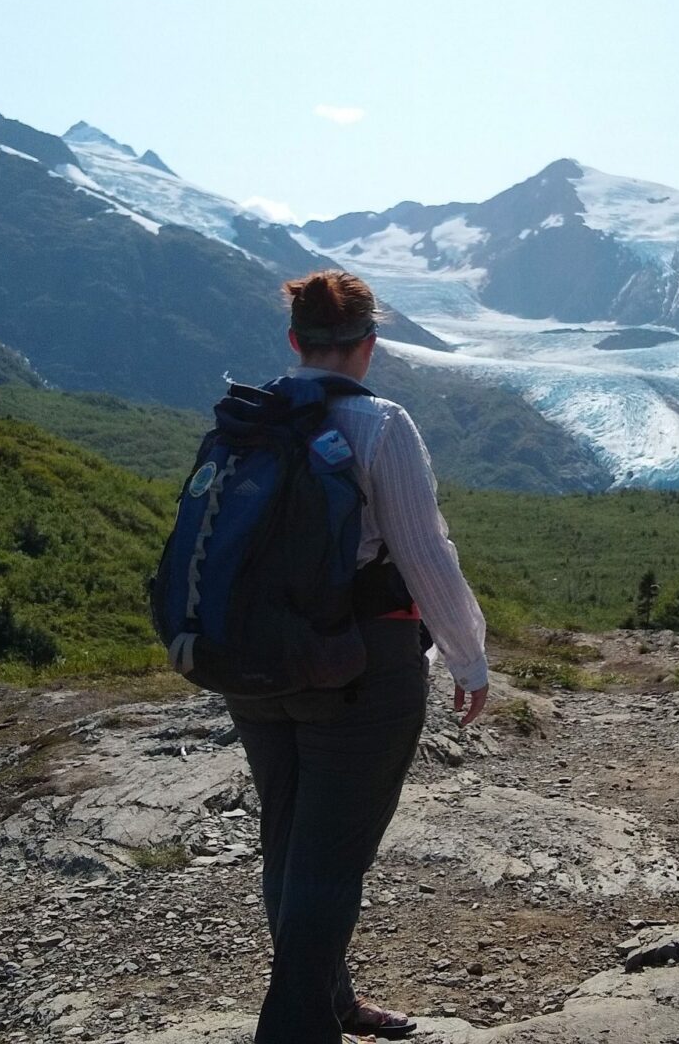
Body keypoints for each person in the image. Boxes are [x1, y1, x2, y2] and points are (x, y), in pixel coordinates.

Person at [224, 269, 491, 1044]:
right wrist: (468, 659)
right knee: (332, 864)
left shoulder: (252, 416)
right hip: (360, 669)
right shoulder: (380, 424)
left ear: (295, 341)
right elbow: (425, 555)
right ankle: (296, 1030)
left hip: (255, 666)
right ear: (368, 345)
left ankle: (333, 1000)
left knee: (291, 841)